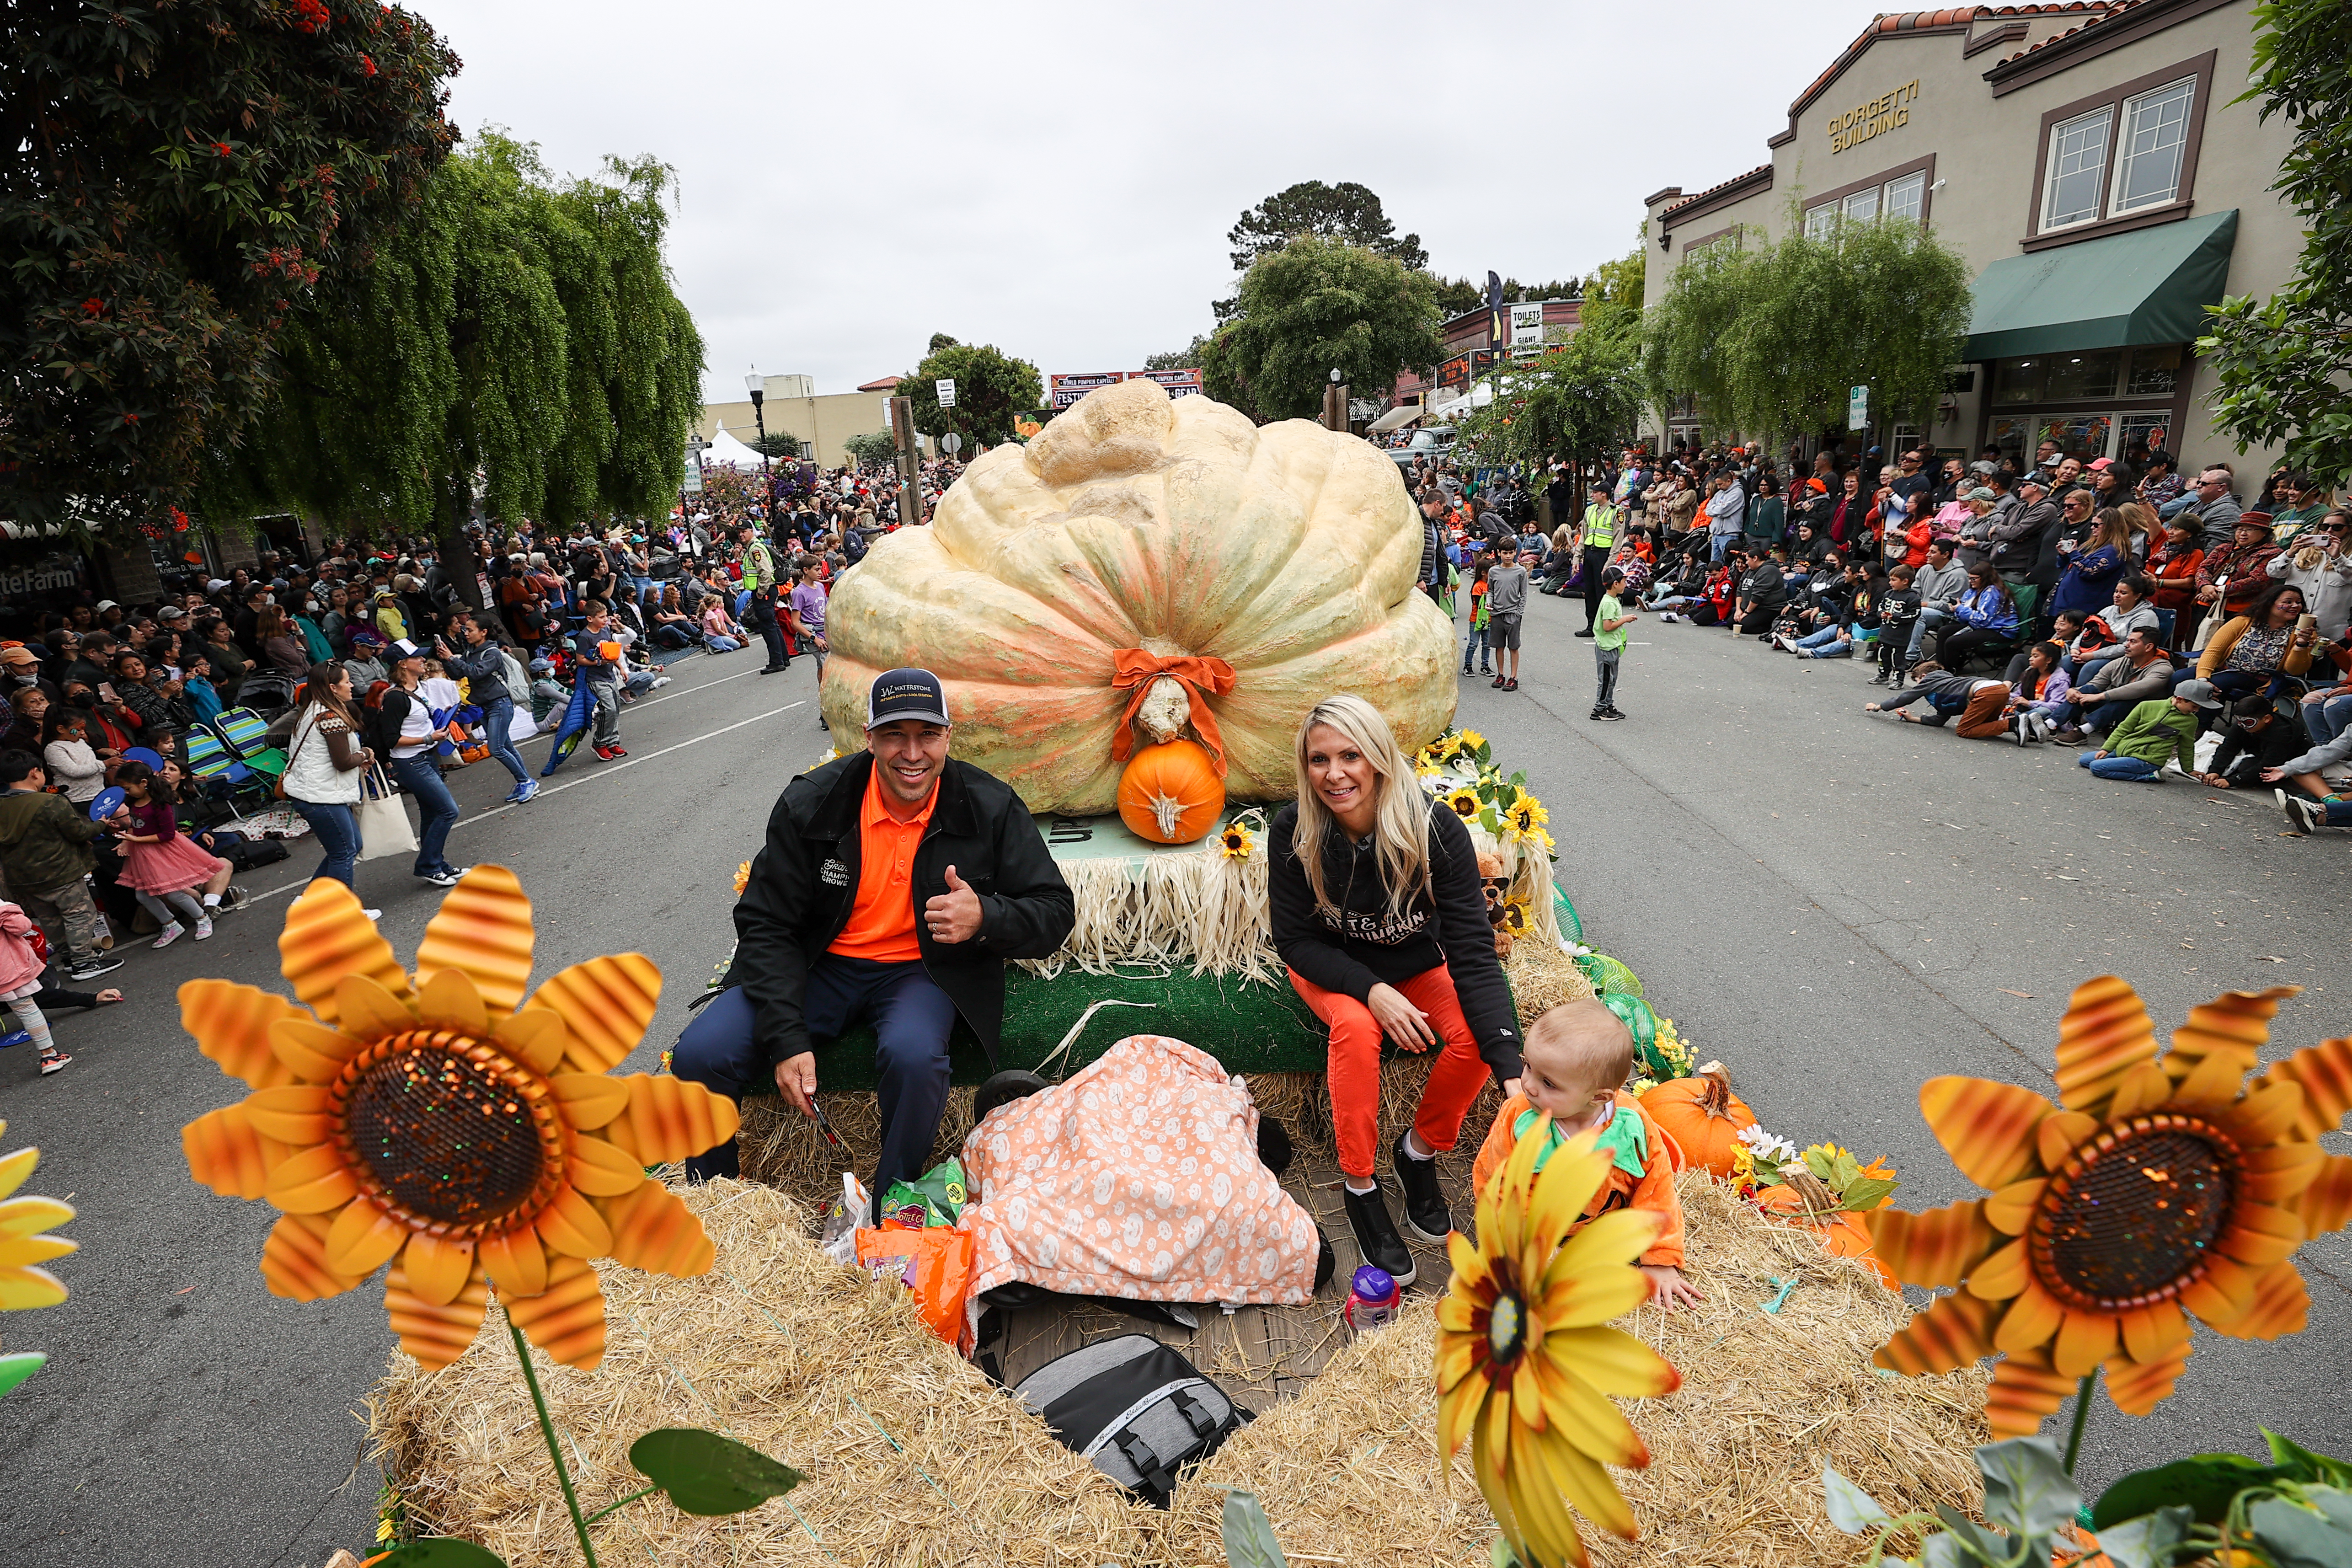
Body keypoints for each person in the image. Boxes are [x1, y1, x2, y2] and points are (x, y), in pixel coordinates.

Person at [677, 668, 1076, 1200]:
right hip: (820, 965)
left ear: (947, 737)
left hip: (920, 971)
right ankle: (716, 1200)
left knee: (914, 1058)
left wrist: (986, 917)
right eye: (894, 735)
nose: (911, 753)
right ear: (868, 738)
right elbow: (766, 923)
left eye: (926, 735)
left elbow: (1054, 911)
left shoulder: (989, 806)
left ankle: (893, 1203)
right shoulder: (813, 803)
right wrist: (788, 1039)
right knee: (700, 1055)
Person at [1268, 695, 1521, 1283]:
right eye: (1318, 759)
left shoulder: (1435, 829)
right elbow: (1295, 943)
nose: (1334, 774)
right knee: (1355, 1028)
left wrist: (1511, 1063)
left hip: (1412, 962)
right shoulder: (1294, 831)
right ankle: (1360, 1185)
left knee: (1471, 1039)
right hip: (1329, 966)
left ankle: (1419, 1152)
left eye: (1350, 755)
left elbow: (1471, 952)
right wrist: (1372, 990)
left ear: (1379, 757)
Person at [1467, 998, 1695, 1308]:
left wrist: (1660, 1258)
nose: (1529, 1086)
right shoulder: (1519, 1119)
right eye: (1528, 1065)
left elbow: (1657, 1187)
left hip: (1602, 1230)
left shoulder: (1631, 1124)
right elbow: (1495, 1184)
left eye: (1548, 1082)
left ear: (1598, 1097)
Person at [0, 751, 123, 981]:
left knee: (49, 918)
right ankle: (84, 963)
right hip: (60, 871)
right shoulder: (50, 802)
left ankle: (68, 958)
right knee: (79, 915)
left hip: (24, 877)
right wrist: (100, 824)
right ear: (34, 773)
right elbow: (79, 833)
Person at [279, 662, 378, 904]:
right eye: (347, 681)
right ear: (333, 687)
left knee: (351, 846)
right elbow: (343, 762)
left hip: (313, 791)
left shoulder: (311, 711)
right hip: (320, 795)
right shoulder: (331, 717)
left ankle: (309, 900)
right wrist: (364, 754)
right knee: (343, 852)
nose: (352, 685)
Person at [105, 760, 232, 946]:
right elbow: (136, 825)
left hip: (162, 851)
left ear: (144, 783)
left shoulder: (160, 804)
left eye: (128, 788)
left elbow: (167, 835)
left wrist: (136, 841)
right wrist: (127, 841)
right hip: (143, 852)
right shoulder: (134, 802)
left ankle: (202, 917)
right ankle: (170, 924)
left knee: (173, 892)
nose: (126, 793)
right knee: (143, 895)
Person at [375, 640, 468, 888]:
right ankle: (427, 865)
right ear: (402, 665)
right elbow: (391, 739)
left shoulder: (419, 688)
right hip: (411, 762)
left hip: (426, 757)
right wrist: (428, 738)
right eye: (416, 658)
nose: (422, 660)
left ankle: (436, 862)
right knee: (448, 810)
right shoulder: (395, 697)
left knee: (431, 812)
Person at [443, 614, 536, 804]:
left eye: (470, 630)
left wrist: (453, 658)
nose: (465, 633)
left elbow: (476, 673)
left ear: (483, 632)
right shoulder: (470, 651)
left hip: (499, 704)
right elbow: (458, 674)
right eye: (465, 629)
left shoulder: (492, 652)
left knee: (496, 748)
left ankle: (526, 781)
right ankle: (524, 781)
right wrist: (446, 660)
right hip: (484, 705)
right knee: (506, 746)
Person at [2196, 580, 2317, 701]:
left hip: (2262, 680)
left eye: (2299, 602)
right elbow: (2213, 651)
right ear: (2269, 604)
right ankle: (2181, 715)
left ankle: (2203, 719)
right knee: (2183, 677)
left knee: (2219, 683)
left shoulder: (2304, 632)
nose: (2296, 606)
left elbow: (2295, 671)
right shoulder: (2244, 622)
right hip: (2226, 670)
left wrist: (2301, 645)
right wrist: (2202, 679)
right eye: (2288, 602)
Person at [2078, 678, 2219, 782]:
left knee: (2097, 768)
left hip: (2147, 760)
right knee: (2085, 760)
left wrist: (2189, 769)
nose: (2196, 711)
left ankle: (2147, 776)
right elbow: (2124, 728)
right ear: (2180, 699)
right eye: (2194, 706)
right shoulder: (2146, 706)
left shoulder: (2191, 721)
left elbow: (2187, 746)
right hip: (2125, 751)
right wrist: (2107, 749)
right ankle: (2121, 763)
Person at [2199, 695, 2305, 790]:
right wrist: (2215, 771)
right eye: (2239, 721)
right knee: (2238, 766)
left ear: (2267, 719)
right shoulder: (2242, 725)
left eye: (2248, 722)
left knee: (2245, 770)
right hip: (2258, 753)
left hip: (2285, 761)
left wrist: (2232, 781)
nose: (2243, 726)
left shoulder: (2282, 733)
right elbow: (2228, 747)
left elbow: (2269, 764)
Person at [571, 601, 628, 762]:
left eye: (606, 616)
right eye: (602, 617)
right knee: (608, 709)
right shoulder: (584, 637)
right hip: (595, 678)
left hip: (609, 675)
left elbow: (612, 652)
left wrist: (620, 668)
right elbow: (580, 660)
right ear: (590, 618)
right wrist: (597, 663)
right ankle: (599, 743)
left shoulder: (604, 631)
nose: (606, 620)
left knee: (615, 709)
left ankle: (612, 742)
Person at [1576, 484, 1620, 637]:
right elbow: (1584, 536)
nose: (1592, 495)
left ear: (1604, 494)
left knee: (1602, 591)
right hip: (1590, 553)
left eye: (1595, 493)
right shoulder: (1590, 510)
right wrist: (1577, 558)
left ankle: (1604, 626)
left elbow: (1617, 539)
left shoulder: (1616, 512)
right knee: (1590, 591)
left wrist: (1610, 563)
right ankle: (1591, 625)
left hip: (1604, 555)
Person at [1487, 547, 1531, 692]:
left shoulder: (1521, 572)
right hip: (1497, 614)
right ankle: (1501, 675)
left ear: (1515, 552)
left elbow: (1524, 594)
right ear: (1499, 553)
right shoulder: (1494, 571)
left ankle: (1514, 677)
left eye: (1510, 553)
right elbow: (1491, 591)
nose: (1507, 556)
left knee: (1513, 647)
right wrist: (1489, 603)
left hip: (1513, 614)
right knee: (1499, 646)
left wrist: (1519, 613)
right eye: (1504, 553)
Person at [1592, 567, 1632, 720]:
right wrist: (1625, 620)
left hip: (1613, 645)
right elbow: (1607, 627)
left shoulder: (1613, 600)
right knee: (1606, 679)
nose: (1626, 584)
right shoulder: (1609, 603)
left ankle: (1608, 704)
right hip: (1606, 647)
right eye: (1624, 581)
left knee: (1612, 678)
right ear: (1615, 584)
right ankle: (1599, 709)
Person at [1459, 557, 1491, 677]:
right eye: (1491, 572)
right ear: (1483, 573)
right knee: (1473, 643)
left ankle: (1485, 666)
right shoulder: (1478, 587)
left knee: (1487, 644)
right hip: (1476, 620)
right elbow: (1479, 604)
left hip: (1489, 620)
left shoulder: (1491, 585)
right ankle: (1468, 666)